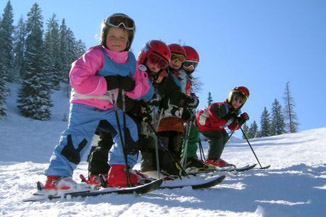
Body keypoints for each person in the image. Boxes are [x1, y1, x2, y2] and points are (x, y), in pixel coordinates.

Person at [43, 13, 151, 190]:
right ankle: (55, 177)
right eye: (112, 36)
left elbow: (143, 87)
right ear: (104, 37)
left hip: (109, 108)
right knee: (77, 137)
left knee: (129, 128)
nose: (117, 41)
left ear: (129, 40)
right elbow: (77, 79)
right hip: (86, 105)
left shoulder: (131, 61)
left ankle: (119, 171)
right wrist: (108, 82)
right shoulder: (95, 55)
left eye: (122, 37)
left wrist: (130, 86)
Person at [86, 40, 172, 184]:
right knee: (106, 140)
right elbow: (121, 90)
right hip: (108, 109)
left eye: (162, 64)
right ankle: (97, 173)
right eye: (154, 59)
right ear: (144, 55)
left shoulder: (149, 77)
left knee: (127, 140)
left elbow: (144, 95)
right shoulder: (133, 68)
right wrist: (135, 106)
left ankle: (120, 170)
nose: (156, 65)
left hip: (126, 114)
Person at [196, 86, 250, 167]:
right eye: (235, 99)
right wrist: (225, 119)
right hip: (203, 122)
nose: (237, 103)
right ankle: (212, 159)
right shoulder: (223, 107)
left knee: (224, 136)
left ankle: (215, 158)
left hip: (213, 126)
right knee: (217, 137)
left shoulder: (233, 112)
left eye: (240, 102)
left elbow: (232, 127)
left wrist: (241, 121)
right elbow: (214, 120)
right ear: (231, 97)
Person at [179, 45, 211, 171]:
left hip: (185, 110)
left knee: (192, 132)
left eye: (194, 65)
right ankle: (187, 158)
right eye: (187, 64)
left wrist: (192, 98)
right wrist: (188, 102)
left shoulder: (186, 77)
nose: (191, 68)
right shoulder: (180, 75)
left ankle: (188, 158)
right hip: (180, 110)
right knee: (189, 132)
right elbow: (179, 92)